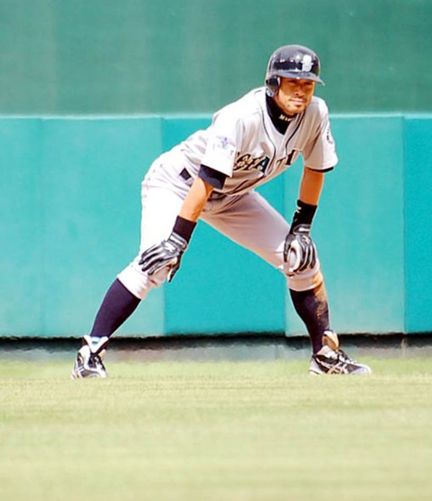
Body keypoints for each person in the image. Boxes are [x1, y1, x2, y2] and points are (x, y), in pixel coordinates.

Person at [71, 44, 371, 378]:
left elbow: (315, 169)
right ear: (273, 83)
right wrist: (177, 240)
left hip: (233, 194)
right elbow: (206, 181)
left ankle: (325, 356)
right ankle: (89, 353)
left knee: (300, 258)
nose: (301, 91)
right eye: (292, 82)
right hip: (179, 184)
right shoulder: (241, 117)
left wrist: (302, 227)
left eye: (308, 84)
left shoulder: (315, 113)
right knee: (157, 260)